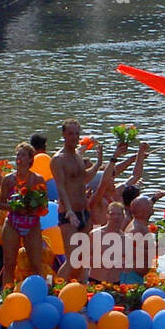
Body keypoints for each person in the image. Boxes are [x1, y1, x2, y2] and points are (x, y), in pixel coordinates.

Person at [51, 119, 101, 280]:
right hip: (68, 214)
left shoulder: (78, 156)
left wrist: (98, 163)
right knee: (72, 259)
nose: (74, 137)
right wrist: (70, 211)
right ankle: (57, 291)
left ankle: (80, 292)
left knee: (84, 258)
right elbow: (61, 187)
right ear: (64, 135)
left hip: (84, 212)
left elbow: (84, 178)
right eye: (71, 133)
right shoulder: (58, 159)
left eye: (77, 133)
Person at [0, 142, 47, 288]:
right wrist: (15, 208)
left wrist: (32, 209)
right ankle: (6, 293)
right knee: (9, 263)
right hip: (13, 222)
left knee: (36, 264)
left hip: (32, 224)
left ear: (30, 159)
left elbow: (44, 205)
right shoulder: (8, 179)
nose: (19, 157)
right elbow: (0, 204)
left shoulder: (38, 179)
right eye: (17, 154)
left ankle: (39, 292)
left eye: (23, 155)